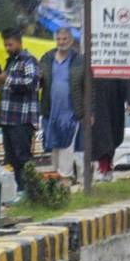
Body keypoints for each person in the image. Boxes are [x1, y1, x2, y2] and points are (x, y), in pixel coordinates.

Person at [38, 28, 86, 182]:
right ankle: (59, 179)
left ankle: (65, 180)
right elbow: (39, 82)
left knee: (67, 147)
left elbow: (88, 88)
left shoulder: (79, 60)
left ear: (71, 41)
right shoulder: (47, 59)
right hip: (51, 113)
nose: (61, 42)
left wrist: (89, 112)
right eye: (59, 39)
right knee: (55, 150)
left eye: (64, 39)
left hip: (71, 114)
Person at [0, 28, 40, 184]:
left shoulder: (28, 60)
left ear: (19, 43)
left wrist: (6, 80)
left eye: (10, 45)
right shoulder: (11, 62)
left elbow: (32, 83)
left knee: (23, 158)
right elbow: (13, 84)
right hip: (7, 120)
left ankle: (28, 191)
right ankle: (17, 191)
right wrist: (1, 86)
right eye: (5, 45)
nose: (7, 48)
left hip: (21, 120)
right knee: (11, 159)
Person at [90, 76, 130, 181]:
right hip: (95, 103)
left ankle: (107, 168)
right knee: (102, 137)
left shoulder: (115, 65)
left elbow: (125, 78)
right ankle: (103, 168)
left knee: (111, 137)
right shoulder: (88, 63)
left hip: (114, 103)